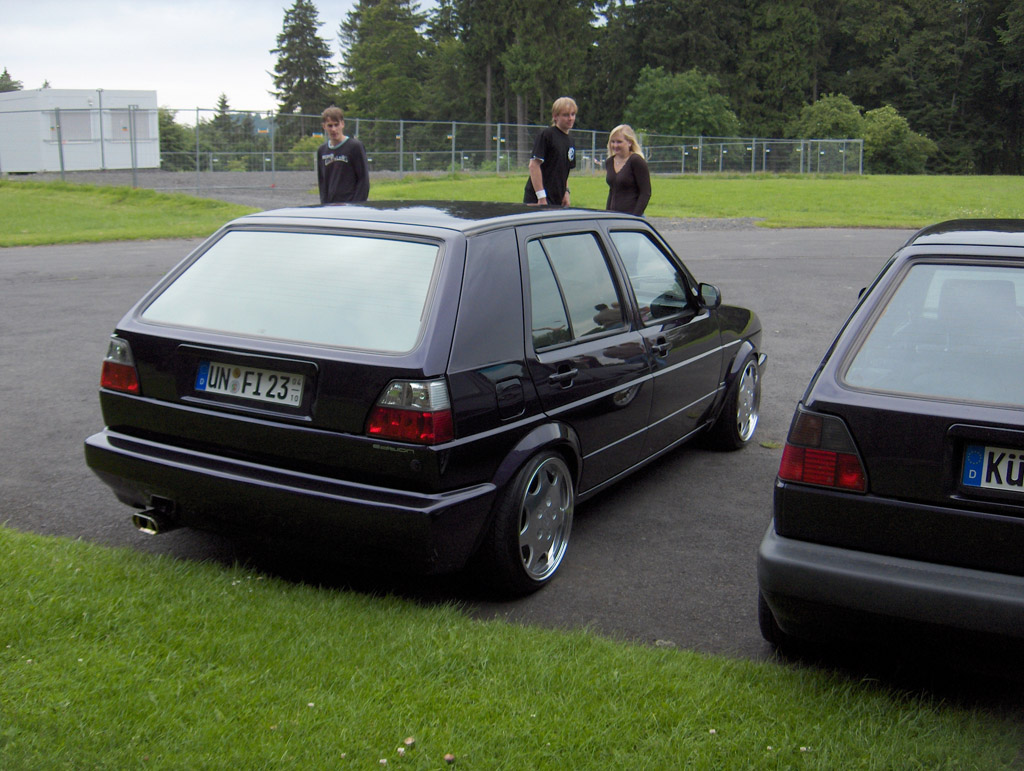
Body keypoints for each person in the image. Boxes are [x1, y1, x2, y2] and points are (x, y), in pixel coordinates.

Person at [524, 97, 577, 207]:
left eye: (573, 114)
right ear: (555, 116)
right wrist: (541, 197)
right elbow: (534, 165)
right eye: (566, 115)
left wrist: (566, 192)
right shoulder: (547, 135)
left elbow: (564, 171)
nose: (570, 118)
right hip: (538, 199)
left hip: (557, 199)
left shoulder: (570, 140)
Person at [317, 106, 370, 204]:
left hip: (350, 205)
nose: (333, 129)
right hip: (330, 206)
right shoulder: (322, 150)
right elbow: (322, 182)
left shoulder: (355, 147)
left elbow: (363, 180)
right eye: (330, 125)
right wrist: (324, 204)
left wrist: (356, 205)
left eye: (336, 125)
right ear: (324, 126)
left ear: (342, 124)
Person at [605, 124, 651, 216]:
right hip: (613, 215)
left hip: (631, 216)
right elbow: (612, 190)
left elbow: (645, 192)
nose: (615, 145)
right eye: (613, 142)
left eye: (619, 142)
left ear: (629, 142)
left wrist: (635, 217)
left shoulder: (636, 161)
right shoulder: (609, 162)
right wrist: (606, 214)